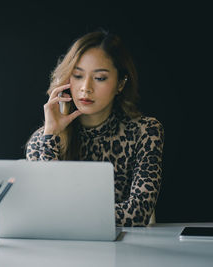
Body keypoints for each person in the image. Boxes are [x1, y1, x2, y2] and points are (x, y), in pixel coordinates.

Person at [25, 30, 164, 227]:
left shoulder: (145, 132)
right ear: (66, 81)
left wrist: (66, 215)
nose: (85, 87)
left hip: (125, 250)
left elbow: (138, 213)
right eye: (78, 76)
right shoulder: (42, 140)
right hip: (60, 252)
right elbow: (41, 209)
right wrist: (51, 136)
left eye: (99, 78)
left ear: (120, 84)